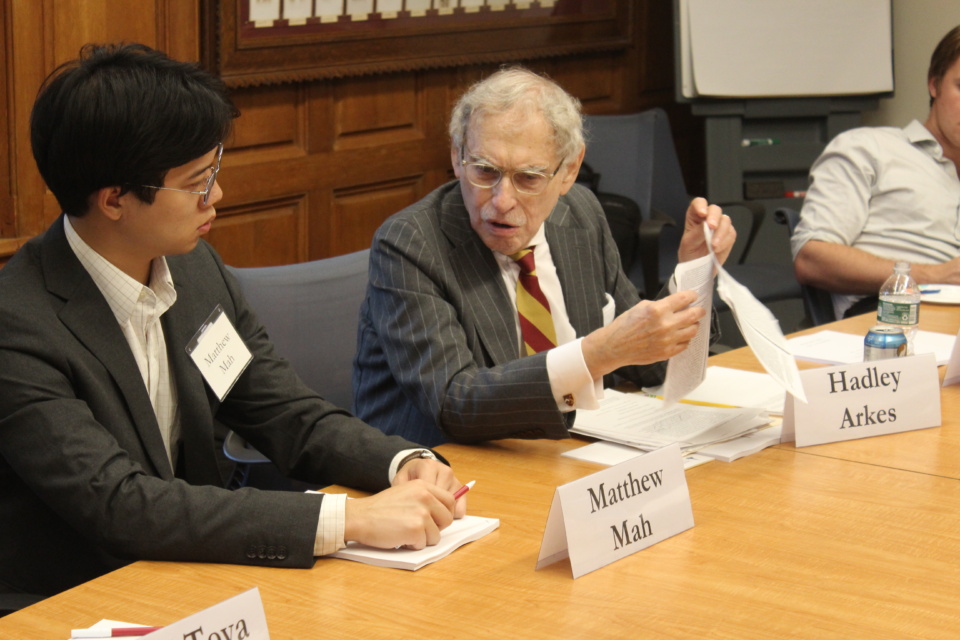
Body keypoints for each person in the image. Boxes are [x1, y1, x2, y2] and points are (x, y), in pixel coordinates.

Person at [0, 43, 467, 600]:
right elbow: (120, 504)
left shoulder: (193, 268)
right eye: (197, 181)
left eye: (214, 170)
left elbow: (280, 409)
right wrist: (350, 520)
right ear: (114, 200)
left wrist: (398, 461)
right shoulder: (18, 325)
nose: (216, 194)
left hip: (193, 576)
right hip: (74, 599)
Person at [352, 67, 736, 448]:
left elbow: (647, 365)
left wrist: (694, 270)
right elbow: (455, 404)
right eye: (484, 171)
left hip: (570, 449)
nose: (502, 201)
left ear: (569, 171)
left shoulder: (580, 215)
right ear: (457, 156)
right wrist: (598, 353)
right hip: (444, 465)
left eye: (529, 178)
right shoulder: (412, 244)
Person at [792, 25, 960, 320]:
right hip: (894, 314)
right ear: (934, 85)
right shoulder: (870, 148)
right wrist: (935, 276)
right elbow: (812, 258)